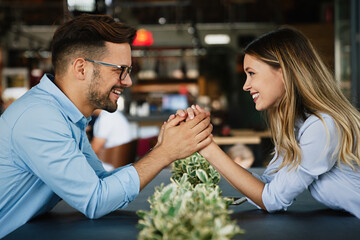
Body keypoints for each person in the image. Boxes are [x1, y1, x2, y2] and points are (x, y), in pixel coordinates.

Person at [0, 14, 213, 238]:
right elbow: (95, 201)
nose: (128, 81)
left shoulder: (64, 114)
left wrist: (161, 147)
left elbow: (100, 182)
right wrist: (165, 153)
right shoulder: (40, 117)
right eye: (119, 69)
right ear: (81, 68)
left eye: (128, 71)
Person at [176, 28, 360, 218]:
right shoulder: (298, 124)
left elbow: (272, 200)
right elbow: (267, 186)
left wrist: (206, 146)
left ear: (283, 72)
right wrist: (204, 138)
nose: (245, 85)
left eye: (252, 73)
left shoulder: (322, 127)